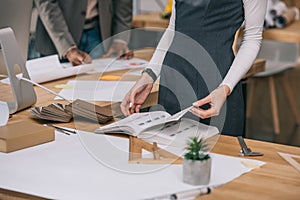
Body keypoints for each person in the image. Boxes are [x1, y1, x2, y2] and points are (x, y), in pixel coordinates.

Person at [121, 0, 267, 136]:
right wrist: (148, 75)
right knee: (169, 152)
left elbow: (252, 39)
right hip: (173, 79)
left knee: (220, 155)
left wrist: (225, 88)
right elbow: (173, 28)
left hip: (216, 83)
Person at [34, 0, 133, 66]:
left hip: (99, 32)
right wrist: (66, 46)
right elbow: (45, 3)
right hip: (56, 38)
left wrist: (120, 38)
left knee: (100, 91)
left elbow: (123, 3)